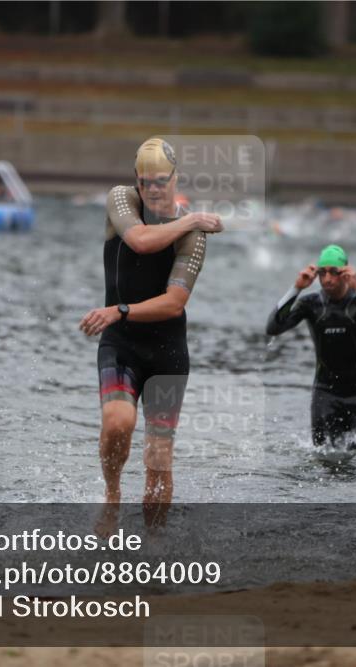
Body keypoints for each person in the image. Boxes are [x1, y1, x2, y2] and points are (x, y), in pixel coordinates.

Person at [79, 137, 223, 528]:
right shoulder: (122, 200)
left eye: (161, 180)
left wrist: (120, 310)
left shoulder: (192, 237)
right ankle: (111, 493)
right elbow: (140, 242)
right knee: (117, 422)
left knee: (158, 463)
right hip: (121, 344)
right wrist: (193, 217)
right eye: (145, 181)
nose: (153, 189)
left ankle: (154, 550)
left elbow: (174, 303)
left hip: (167, 351)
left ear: (175, 179)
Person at [266, 245, 356, 448]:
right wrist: (296, 288)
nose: (327, 279)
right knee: (321, 457)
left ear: (346, 272)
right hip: (324, 392)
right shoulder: (311, 304)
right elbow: (273, 327)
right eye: (322, 272)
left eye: (334, 272)